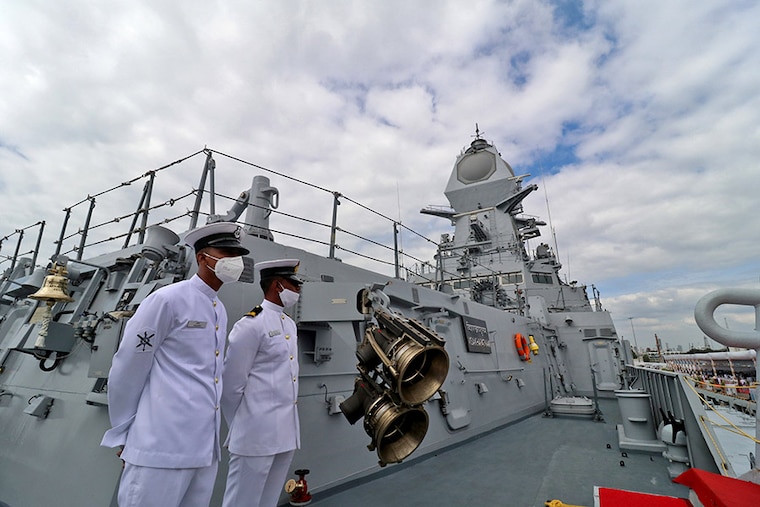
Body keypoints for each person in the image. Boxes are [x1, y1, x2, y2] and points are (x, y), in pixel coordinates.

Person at [100, 222, 251, 507]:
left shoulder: (218, 308)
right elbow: (127, 368)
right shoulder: (167, 300)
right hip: (160, 447)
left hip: (203, 451)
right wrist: (124, 432)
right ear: (203, 258)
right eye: (227, 253)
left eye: (237, 255)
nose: (235, 261)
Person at [221, 258, 303, 507]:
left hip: (285, 432)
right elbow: (231, 384)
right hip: (255, 433)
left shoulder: (289, 323)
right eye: (294, 284)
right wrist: (245, 424)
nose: (298, 289)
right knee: (241, 501)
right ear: (278, 285)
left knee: (268, 500)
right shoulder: (250, 325)